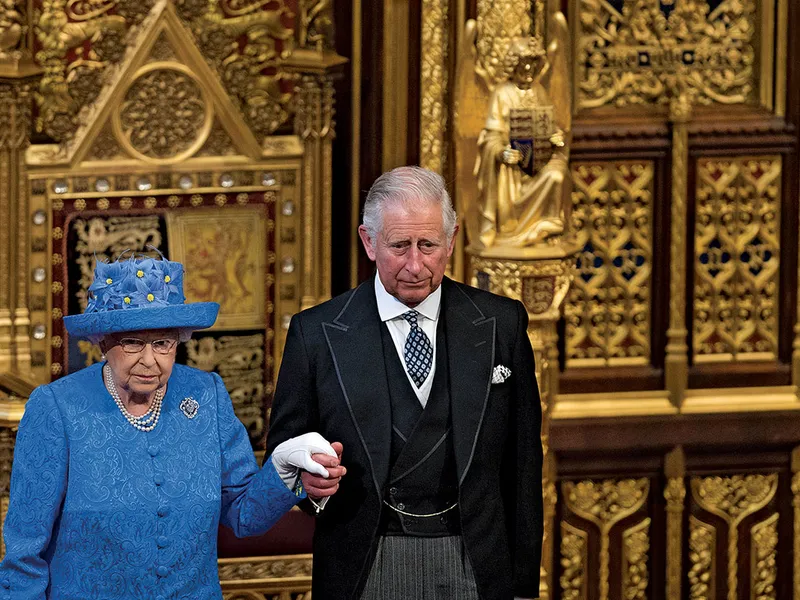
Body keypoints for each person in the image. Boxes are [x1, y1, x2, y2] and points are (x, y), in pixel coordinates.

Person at [0, 251, 344, 600]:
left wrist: (283, 470)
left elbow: (244, 514)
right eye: (132, 342)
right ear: (103, 341)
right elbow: (25, 554)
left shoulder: (205, 395)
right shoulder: (57, 408)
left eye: (163, 342)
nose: (150, 360)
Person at [266, 166, 543, 600]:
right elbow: (285, 453)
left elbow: (523, 466)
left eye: (428, 245)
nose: (416, 265)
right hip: (366, 563)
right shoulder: (316, 334)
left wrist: (524, 587)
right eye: (399, 245)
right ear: (369, 242)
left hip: (477, 560)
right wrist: (309, 485)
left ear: (450, 241)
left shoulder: (501, 325)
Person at [474, 36, 570, 248]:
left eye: (533, 64)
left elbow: (551, 126)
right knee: (509, 173)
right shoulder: (501, 93)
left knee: (557, 174)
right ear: (513, 64)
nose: (528, 69)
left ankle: (549, 226)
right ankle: (510, 230)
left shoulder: (539, 91)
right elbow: (491, 137)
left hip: (541, 161)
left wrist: (556, 138)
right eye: (524, 63)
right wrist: (501, 152)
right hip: (512, 168)